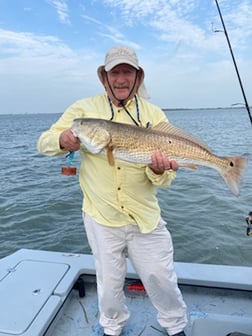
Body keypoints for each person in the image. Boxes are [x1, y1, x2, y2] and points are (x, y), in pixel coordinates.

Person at [37, 45, 188, 336]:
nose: (121, 79)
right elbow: (44, 142)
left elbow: (166, 179)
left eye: (127, 72)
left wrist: (158, 170)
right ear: (104, 77)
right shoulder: (83, 111)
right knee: (108, 282)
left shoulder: (153, 114)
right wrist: (63, 139)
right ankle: (112, 328)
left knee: (161, 277)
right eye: (114, 73)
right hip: (100, 214)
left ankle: (176, 326)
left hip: (144, 215)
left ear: (138, 77)